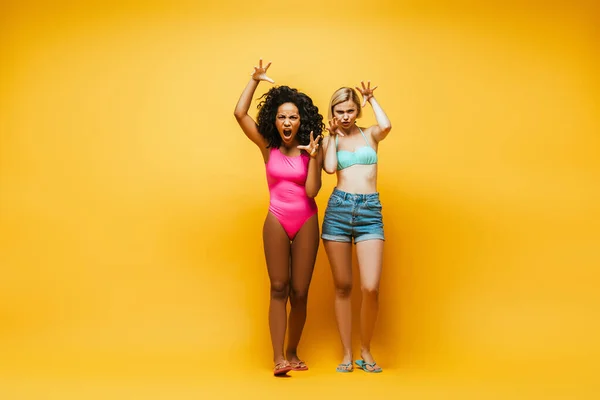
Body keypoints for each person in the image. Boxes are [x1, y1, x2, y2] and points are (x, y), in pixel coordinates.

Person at [233, 59, 325, 376]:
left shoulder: (312, 148)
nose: (287, 121)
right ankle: (278, 359)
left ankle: (292, 351)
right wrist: (255, 80)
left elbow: (312, 191)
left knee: (300, 291)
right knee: (278, 287)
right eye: (282, 116)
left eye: (293, 117)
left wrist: (314, 158)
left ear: (302, 121)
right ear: (275, 120)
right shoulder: (267, 146)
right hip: (276, 218)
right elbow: (239, 114)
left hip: (306, 221)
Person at [321, 81, 392, 373]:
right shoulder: (332, 138)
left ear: (357, 111)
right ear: (333, 112)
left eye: (351, 110)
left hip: (369, 212)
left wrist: (371, 99)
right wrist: (331, 136)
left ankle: (366, 349)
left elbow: (386, 126)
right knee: (343, 287)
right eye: (340, 111)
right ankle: (348, 354)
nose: (346, 115)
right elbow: (328, 169)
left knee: (370, 287)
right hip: (338, 209)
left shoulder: (370, 134)